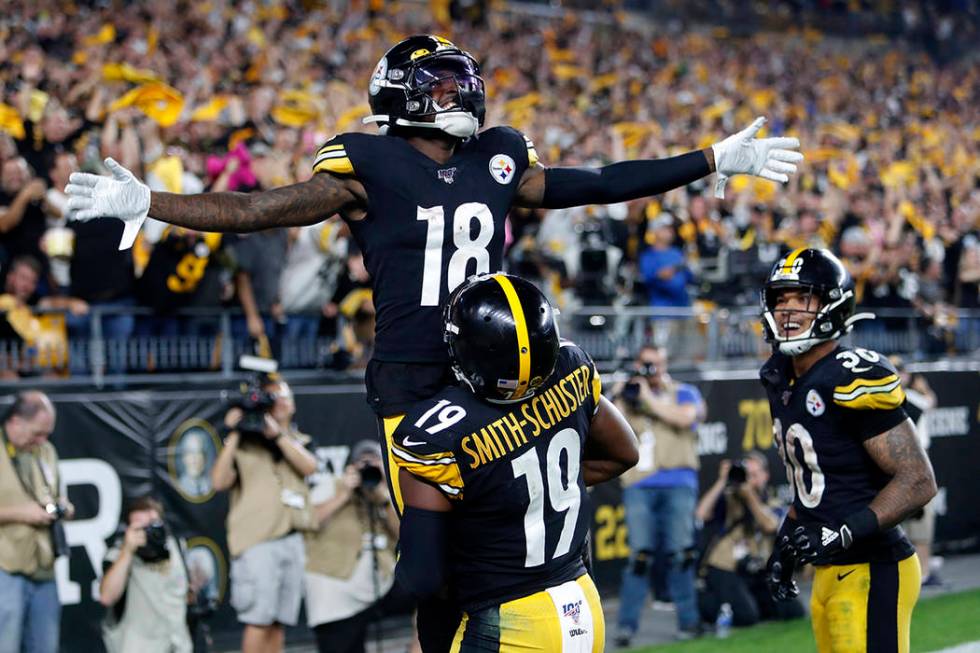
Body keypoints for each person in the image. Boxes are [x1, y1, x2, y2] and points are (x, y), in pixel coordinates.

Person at [64, 34, 802, 649]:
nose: (461, 94)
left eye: (463, 81)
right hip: (418, 379)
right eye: (442, 83)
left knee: (498, 532)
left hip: (502, 366)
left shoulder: (499, 154)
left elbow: (601, 181)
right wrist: (150, 201)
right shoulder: (366, 161)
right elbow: (263, 208)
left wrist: (710, 159)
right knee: (436, 559)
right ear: (400, 93)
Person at [392, 273, 639, 651]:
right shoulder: (570, 368)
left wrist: (501, 497)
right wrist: (528, 489)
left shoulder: (437, 433)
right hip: (582, 603)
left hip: (509, 623)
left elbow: (421, 577)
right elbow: (624, 453)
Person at [759, 248, 938, 653]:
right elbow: (815, 483)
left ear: (832, 305)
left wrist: (843, 533)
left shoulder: (850, 376)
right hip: (828, 573)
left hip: (872, 568)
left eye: (802, 298)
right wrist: (785, 547)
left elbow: (918, 480)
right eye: (780, 299)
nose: (787, 310)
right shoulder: (779, 377)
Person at [211, 375, 318, 653]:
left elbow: (309, 467)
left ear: (293, 404)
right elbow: (219, 482)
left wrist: (277, 435)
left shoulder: (299, 440)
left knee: (278, 622)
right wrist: (233, 432)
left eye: (283, 395)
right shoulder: (246, 442)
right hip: (258, 540)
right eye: (273, 397)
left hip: (292, 538)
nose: (279, 401)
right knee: (258, 620)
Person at [611, 346, 706, 645]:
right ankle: (626, 628)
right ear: (638, 365)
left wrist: (647, 398)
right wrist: (619, 397)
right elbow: (608, 429)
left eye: (656, 365)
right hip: (639, 484)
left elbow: (684, 418)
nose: (652, 371)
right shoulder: (627, 395)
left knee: (681, 554)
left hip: (678, 480)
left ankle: (689, 623)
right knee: (639, 557)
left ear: (665, 365)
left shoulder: (683, 392)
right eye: (646, 365)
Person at [304, 439, 405, 653]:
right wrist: (344, 494)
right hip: (338, 587)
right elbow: (310, 520)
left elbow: (403, 536)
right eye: (363, 462)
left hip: (381, 584)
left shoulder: (386, 494)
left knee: (430, 591)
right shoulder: (333, 484)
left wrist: (382, 497)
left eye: (375, 462)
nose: (368, 468)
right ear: (352, 467)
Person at [0, 390, 73, 653]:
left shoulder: (46, 451)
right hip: (5, 568)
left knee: (46, 647)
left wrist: (62, 506)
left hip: (44, 568)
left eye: (47, 434)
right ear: (16, 422)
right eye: (37, 433)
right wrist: (21, 513)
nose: (42, 440)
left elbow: (56, 491)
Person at [694, 454, 803, 629]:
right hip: (726, 567)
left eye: (754, 475)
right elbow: (701, 514)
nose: (749, 481)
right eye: (746, 475)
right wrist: (722, 481)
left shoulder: (773, 503)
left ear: (765, 476)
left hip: (756, 569)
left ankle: (743, 603)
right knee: (747, 616)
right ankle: (708, 603)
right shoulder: (730, 500)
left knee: (794, 611)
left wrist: (749, 495)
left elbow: (770, 525)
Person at [99, 496, 192, 653]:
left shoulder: (176, 546)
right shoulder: (118, 555)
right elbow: (107, 597)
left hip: (178, 645)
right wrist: (127, 551)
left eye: (153, 525)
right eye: (140, 527)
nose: (148, 533)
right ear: (128, 529)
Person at [889, 355, 942, 587]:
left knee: (914, 526)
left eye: (900, 371)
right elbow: (930, 403)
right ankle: (921, 574)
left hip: (895, 468)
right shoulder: (910, 398)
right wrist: (926, 390)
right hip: (913, 465)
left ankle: (918, 574)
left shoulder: (881, 400)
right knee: (916, 526)